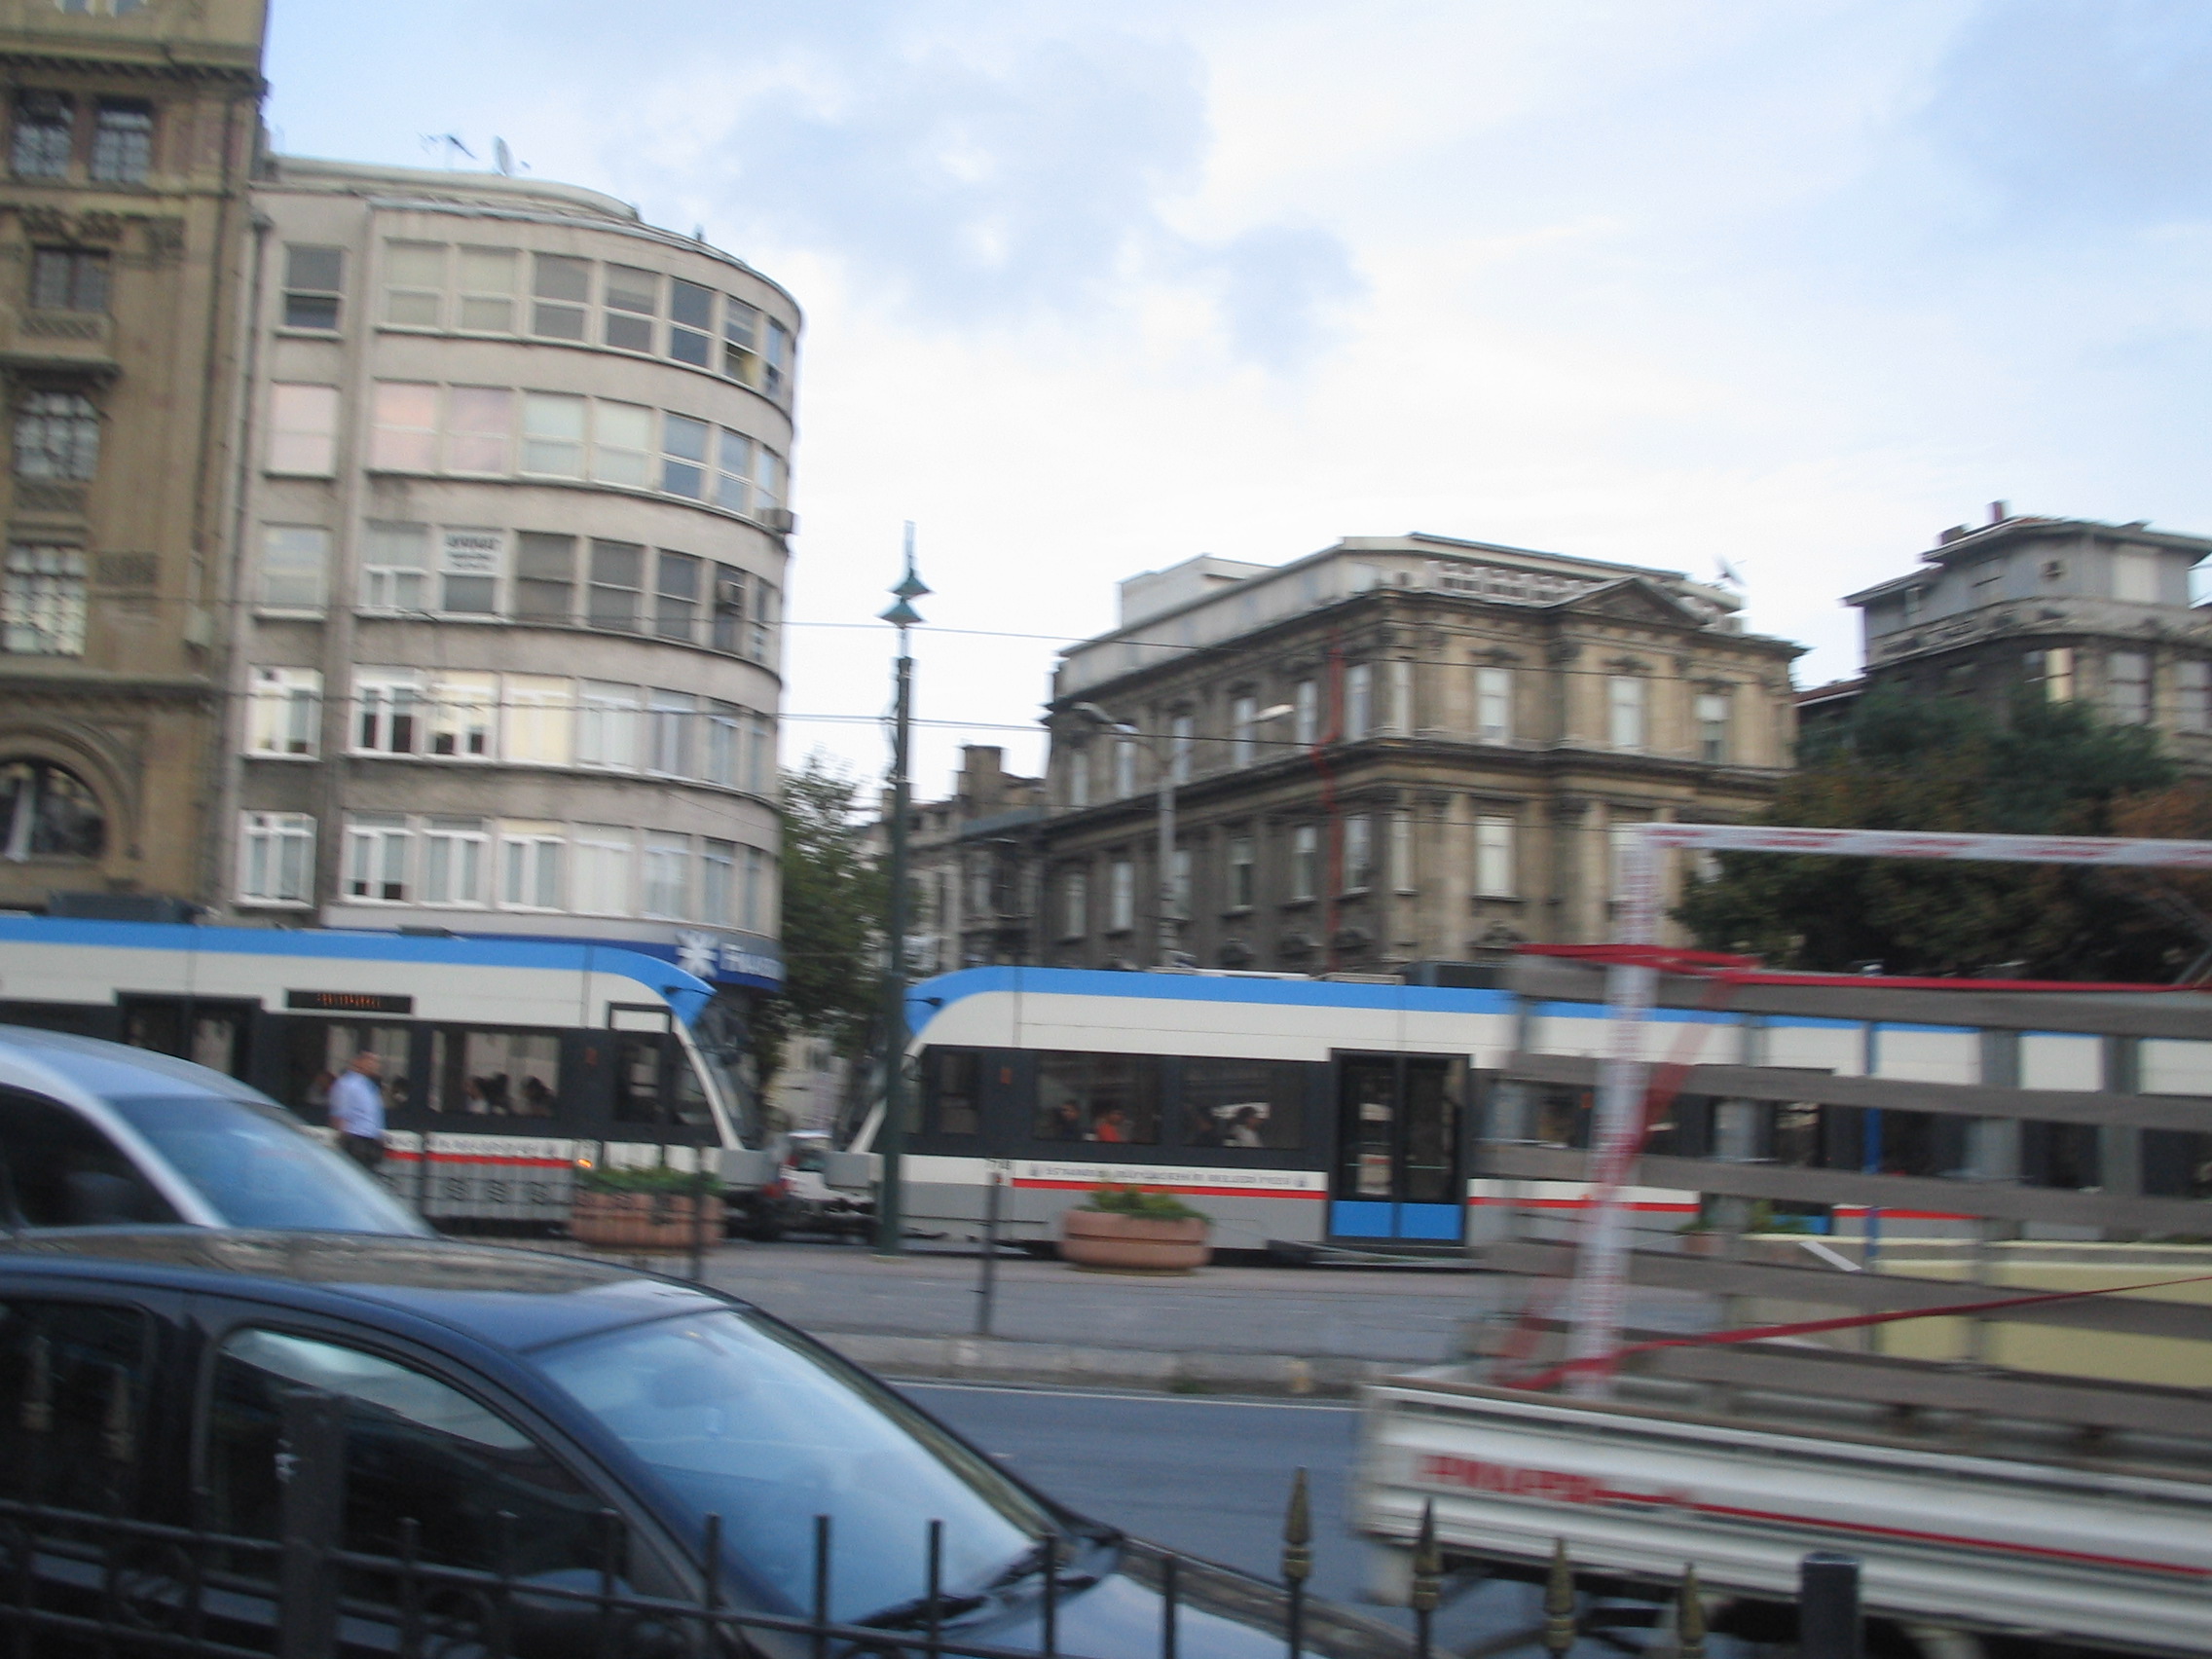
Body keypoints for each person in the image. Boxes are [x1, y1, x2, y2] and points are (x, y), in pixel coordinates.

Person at [328, 1050, 388, 1171]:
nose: (375, 1066)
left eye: (376, 1062)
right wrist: (344, 1140)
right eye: (371, 1061)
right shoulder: (346, 1084)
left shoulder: (369, 1086)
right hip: (355, 1140)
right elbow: (339, 1115)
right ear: (359, 1062)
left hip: (371, 1141)